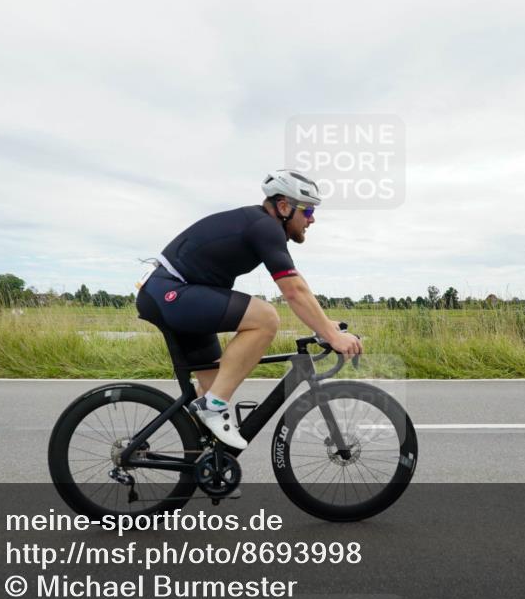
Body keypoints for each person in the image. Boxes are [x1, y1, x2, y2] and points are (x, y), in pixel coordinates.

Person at [136, 169, 363, 449]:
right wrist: (331, 335)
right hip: (172, 293)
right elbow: (293, 291)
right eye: (307, 211)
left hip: (177, 293)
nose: (312, 218)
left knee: (214, 385)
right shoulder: (265, 227)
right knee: (266, 318)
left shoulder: (258, 225)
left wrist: (326, 325)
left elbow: (297, 284)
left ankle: (203, 464)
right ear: (283, 207)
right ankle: (212, 407)